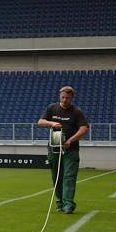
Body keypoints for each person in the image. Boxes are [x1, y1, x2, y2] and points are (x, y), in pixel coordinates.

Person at [37, 86, 89, 214]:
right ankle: (59, 202)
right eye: (63, 97)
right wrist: (52, 123)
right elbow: (40, 122)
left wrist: (70, 140)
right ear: (60, 96)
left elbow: (84, 128)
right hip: (54, 149)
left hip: (70, 150)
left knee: (69, 176)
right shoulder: (52, 108)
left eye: (67, 98)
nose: (65, 100)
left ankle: (68, 204)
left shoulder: (77, 112)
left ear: (72, 98)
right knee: (56, 177)